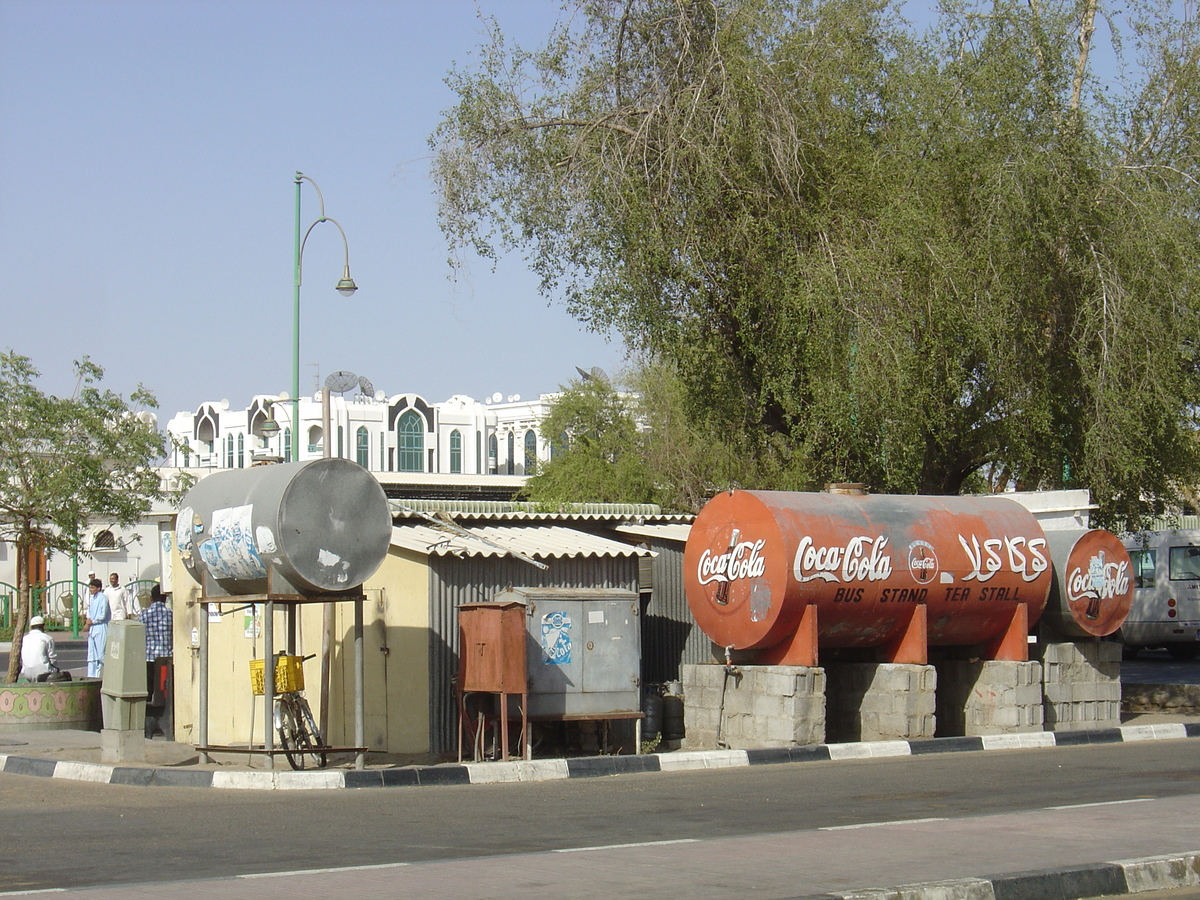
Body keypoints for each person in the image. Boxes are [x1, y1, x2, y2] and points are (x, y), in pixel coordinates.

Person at [141, 585, 173, 739]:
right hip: (166, 662)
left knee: (148, 693)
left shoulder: (143, 616)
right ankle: (166, 723)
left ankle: (148, 726)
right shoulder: (171, 615)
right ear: (165, 598)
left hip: (148, 660)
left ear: (151, 598)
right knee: (166, 694)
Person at [84, 578, 110, 678]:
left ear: (98, 588)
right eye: (90, 588)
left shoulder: (103, 598)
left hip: (100, 628)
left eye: (92, 588)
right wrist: (88, 621)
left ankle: (110, 673)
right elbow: (90, 613)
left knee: (100, 655)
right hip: (92, 629)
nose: (91, 589)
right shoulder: (92, 599)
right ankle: (91, 677)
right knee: (91, 655)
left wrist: (93, 621)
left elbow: (103, 615)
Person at [20, 615, 58, 682]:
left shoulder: (24, 639)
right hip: (44, 672)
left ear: (31, 627)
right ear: (43, 627)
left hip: (26, 673)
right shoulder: (47, 638)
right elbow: (53, 659)